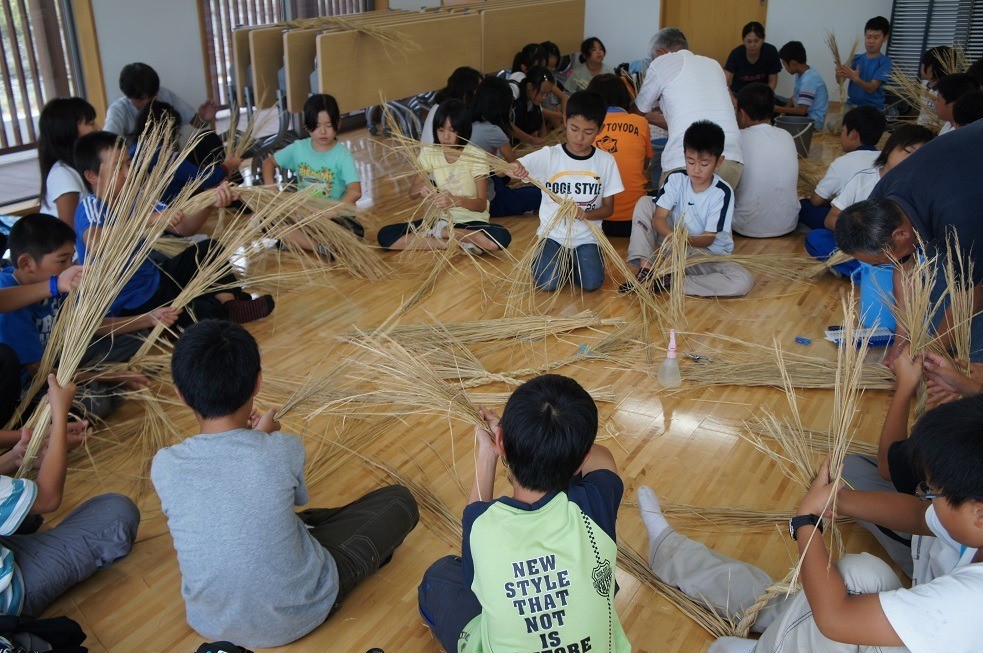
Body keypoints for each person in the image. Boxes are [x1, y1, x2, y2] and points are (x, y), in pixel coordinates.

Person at [638, 392, 983, 653]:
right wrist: (840, 500)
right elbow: (919, 516)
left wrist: (805, 522)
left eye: (930, 493)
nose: (925, 499)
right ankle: (671, 553)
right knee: (845, 583)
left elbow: (835, 619)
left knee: (841, 590)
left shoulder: (969, 604)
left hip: (894, 629)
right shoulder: (974, 525)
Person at [152, 320, 419, 648]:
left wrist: (257, 438)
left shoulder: (165, 465)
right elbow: (298, 497)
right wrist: (264, 439)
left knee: (281, 518)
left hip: (211, 621)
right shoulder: (282, 449)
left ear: (181, 394)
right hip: (301, 612)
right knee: (399, 500)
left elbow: (232, 480)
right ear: (258, 383)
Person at [417, 374, 630, 653]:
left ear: (501, 440)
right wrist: (564, 450)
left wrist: (489, 453)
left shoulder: (482, 527)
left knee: (440, 576)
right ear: (581, 461)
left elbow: (476, 514)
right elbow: (603, 459)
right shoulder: (594, 503)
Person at [74, 131, 274, 325]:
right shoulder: (91, 207)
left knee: (209, 250)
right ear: (92, 176)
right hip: (130, 305)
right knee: (202, 312)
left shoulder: (136, 197)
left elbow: (185, 228)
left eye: (128, 163)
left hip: (155, 279)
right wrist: (150, 219)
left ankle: (229, 305)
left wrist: (209, 203)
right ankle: (218, 308)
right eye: (118, 168)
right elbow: (98, 243)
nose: (128, 173)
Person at [834, 119, 983, 364]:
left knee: (976, 353)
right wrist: (902, 340)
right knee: (937, 310)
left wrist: (928, 355)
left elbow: (971, 294)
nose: (884, 265)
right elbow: (904, 269)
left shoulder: (958, 221)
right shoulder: (879, 203)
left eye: (882, 261)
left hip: (967, 201)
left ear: (900, 235)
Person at [0, 373, 138, 618]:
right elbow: (48, 498)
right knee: (117, 513)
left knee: (21, 505)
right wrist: (59, 413)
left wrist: (14, 457)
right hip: (10, 593)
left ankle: (43, 539)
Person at [0, 214, 162, 419]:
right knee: (94, 403)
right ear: (26, 263)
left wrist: (148, 318)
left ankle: (104, 385)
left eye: (71, 258)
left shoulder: (58, 282)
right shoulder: (11, 293)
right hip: (33, 382)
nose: (70, 267)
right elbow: (39, 372)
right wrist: (109, 376)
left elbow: (89, 326)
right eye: (62, 260)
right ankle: (105, 387)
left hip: (61, 358)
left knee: (135, 337)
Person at [622, 120, 753, 298]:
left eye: (704, 164)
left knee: (741, 280)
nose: (696, 170)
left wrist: (682, 241)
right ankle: (647, 270)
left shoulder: (722, 192)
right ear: (684, 156)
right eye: (691, 162)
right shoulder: (676, 179)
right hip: (672, 247)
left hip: (704, 256)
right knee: (646, 203)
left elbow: (708, 239)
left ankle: (671, 281)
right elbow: (659, 218)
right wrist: (673, 238)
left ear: (719, 161)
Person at [512, 91, 624, 292]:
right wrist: (515, 168)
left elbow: (609, 209)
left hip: (587, 238)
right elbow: (513, 167)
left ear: (600, 129)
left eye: (588, 131)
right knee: (547, 282)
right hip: (553, 236)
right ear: (564, 121)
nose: (580, 137)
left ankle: (573, 262)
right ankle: (553, 260)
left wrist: (586, 214)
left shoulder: (606, 161)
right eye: (574, 128)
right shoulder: (550, 155)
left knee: (591, 283)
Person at [377, 99, 510, 253]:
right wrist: (422, 187)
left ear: (463, 130)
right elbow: (412, 194)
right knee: (385, 235)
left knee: (501, 237)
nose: (446, 137)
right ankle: (449, 243)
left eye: (452, 131)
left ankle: (446, 234)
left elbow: (481, 205)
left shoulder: (476, 156)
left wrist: (455, 201)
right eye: (441, 130)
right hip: (439, 220)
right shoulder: (430, 153)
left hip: (471, 222)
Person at [804, 124, 934, 274]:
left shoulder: (922, 190)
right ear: (889, 148)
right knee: (817, 239)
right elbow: (830, 219)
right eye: (908, 151)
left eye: (920, 156)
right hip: (862, 250)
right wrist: (862, 235)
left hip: (900, 254)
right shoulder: (862, 180)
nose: (912, 159)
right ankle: (873, 275)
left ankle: (869, 274)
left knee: (925, 255)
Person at [841, 345, 924, 577]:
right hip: (947, 512)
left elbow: (888, 465)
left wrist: (904, 388)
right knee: (849, 468)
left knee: (844, 477)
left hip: (942, 544)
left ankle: (918, 564)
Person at [635, 28, 744, 190]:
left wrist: (645, 115)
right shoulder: (714, 65)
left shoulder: (663, 61)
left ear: (660, 53)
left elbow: (637, 113)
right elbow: (697, 123)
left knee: (669, 206)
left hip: (687, 163)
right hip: (730, 161)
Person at [262, 93, 364, 253]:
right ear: (306, 125)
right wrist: (273, 190)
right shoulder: (299, 148)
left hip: (335, 219)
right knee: (266, 221)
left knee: (354, 232)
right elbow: (268, 163)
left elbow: (355, 191)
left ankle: (299, 242)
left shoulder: (343, 155)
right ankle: (320, 247)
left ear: (338, 124)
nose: (322, 131)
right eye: (316, 126)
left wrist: (332, 211)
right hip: (304, 216)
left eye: (328, 126)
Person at [104, 62, 222, 166]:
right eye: (141, 99)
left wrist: (203, 118)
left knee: (209, 138)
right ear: (128, 96)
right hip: (141, 168)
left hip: (171, 160)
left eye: (152, 97)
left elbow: (197, 123)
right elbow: (107, 145)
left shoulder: (164, 95)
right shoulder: (118, 110)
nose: (149, 102)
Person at [132, 101, 240, 205]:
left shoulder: (136, 148)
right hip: (168, 205)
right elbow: (206, 180)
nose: (177, 135)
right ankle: (234, 197)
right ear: (167, 130)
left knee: (205, 139)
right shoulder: (160, 154)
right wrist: (226, 166)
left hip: (158, 202)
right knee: (209, 140)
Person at [798, 106, 886, 230]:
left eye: (843, 130)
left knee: (803, 206)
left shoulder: (843, 162)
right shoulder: (885, 159)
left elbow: (816, 201)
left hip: (852, 222)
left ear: (853, 135)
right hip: (879, 221)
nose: (841, 135)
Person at [588, 74, 653, 238]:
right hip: (635, 222)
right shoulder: (640, 122)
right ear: (625, 96)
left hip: (595, 223)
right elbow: (644, 164)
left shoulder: (586, 127)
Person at [732, 83, 798, 238]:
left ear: (742, 113)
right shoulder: (786, 135)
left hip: (746, 226)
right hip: (788, 224)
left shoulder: (738, 138)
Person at [469, 76, 541, 218]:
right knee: (539, 194)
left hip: (467, 196)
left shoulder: (468, 123)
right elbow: (513, 164)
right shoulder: (492, 130)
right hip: (488, 201)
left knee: (503, 177)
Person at [37, 98, 97, 226]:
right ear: (69, 131)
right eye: (91, 124)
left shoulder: (77, 166)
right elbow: (69, 231)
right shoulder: (62, 174)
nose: (98, 128)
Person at [836, 16, 893, 112]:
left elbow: (871, 88)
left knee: (861, 122)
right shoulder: (856, 58)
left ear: (885, 38)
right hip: (852, 104)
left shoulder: (885, 62)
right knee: (835, 121)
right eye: (868, 37)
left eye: (876, 37)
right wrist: (838, 73)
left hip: (873, 108)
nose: (871, 41)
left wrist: (856, 79)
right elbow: (839, 81)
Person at [420, 67, 483, 146]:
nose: (481, 96)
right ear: (465, 93)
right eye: (478, 92)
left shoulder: (449, 107)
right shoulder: (446, 111)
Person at [774, 41, 829, 130]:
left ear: (793, 63)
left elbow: (802, 111)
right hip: (803, 113)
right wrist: (781, 113)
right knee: (773, 101)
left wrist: (778, 109)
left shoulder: (809, 80)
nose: (785, 68)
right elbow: (794, 97)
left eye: (784, 64)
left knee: (773, 110)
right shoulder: (801, 73)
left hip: (811, 121)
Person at [724, 22, 781, 96]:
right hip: (738, 93)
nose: (752, 45)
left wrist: (764, 97)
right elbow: (724, 80)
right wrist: (733, 100)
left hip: (762, 95)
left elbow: (772, 81)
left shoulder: (771, 52)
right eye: (749, 41)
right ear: (743, 40)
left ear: (763, 39)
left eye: (756, 41)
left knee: (782, 101)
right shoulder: (736, 53)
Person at [510, 66, 555, 146]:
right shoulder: (514, 95)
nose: (544, 97)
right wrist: (532, 140)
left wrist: (541, 144)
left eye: (547, 94)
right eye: (542, 93)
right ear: (529, 86)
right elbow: (507, 126)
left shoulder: (534, 99)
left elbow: (542, 127)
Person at [916, 46, 955, 127]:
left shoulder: (946, 90)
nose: (921, 66)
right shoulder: (923, 84)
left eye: (923, 63)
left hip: (937, 130)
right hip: (920, 128)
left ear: (930, 67)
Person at [539, 41, 569, 128]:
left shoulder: (550, 76)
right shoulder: (537, 78)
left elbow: (563, 97)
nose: (549, 71)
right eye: (547, 67)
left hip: (551, 113)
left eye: (553, 67)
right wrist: (556, 115)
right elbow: (538, 109)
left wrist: (564, 114)